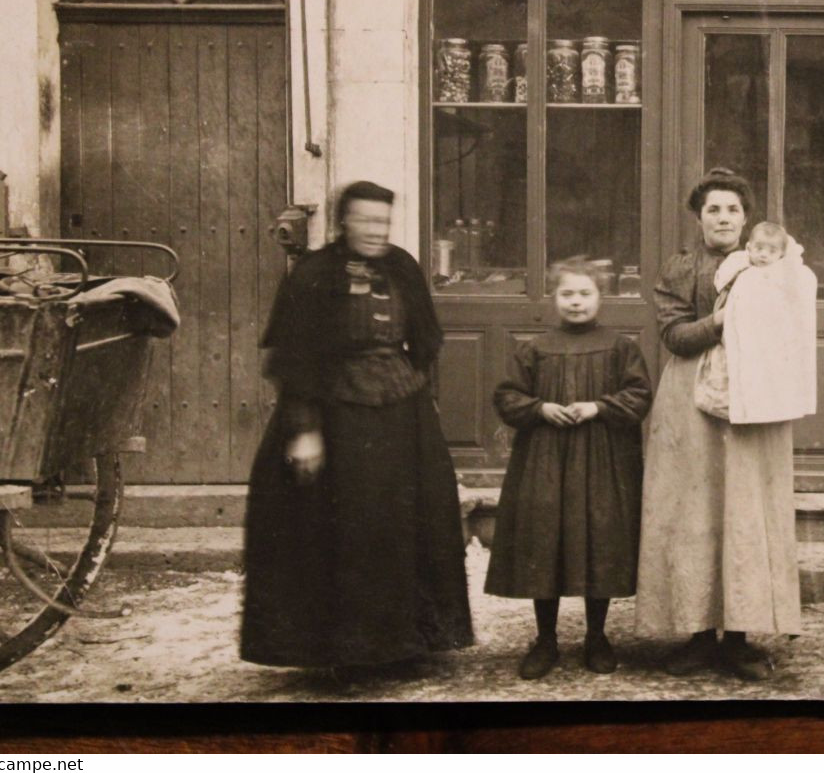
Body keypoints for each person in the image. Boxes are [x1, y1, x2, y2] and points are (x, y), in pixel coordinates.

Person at [240, 181, 473, 671]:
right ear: (344, 221)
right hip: (333, 418)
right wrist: (303, 431)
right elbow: (293, 358)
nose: (376, 230)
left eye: (383, 222)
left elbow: (427, 339)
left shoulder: (403, 267)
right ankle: (340, 650)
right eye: (366, 221)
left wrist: (411, 385)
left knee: (403, 528)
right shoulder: (314, 273)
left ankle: (403, 645)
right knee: (341, 532)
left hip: (400, 420)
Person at [635, 168, 802, 681]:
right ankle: (698, 635)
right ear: (700, 218)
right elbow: (675, 336)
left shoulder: (773, 263)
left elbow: (794, 321)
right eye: (713, 210)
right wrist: (721, 322)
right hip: (690, 402)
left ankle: (740, 638)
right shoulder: (681, 268)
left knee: (746, 509)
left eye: (732, 209)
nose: (724, 218)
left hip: (755, 395)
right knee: (694, 511)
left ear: (746, 217)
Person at [485, 257, 653, 680]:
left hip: (602, 462)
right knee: (546, 542)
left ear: (601, 297)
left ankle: (597, 636)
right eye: (567, 294)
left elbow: (639, 396)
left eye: (584, 293)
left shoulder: (620, 347)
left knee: (599, 540)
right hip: (545, 461)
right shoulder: (534, 349)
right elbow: (507, 397)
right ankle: (546, 640)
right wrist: (539, 408)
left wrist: (598, 406)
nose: (576, 302)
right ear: (553, 298)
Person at [706, 221, 817, 426]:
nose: (764, 255)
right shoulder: (740, 266)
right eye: (759, 249)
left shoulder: (783, 273)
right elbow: (721, 283)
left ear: (781, 255)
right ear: (749, 248)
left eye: (771, 251)